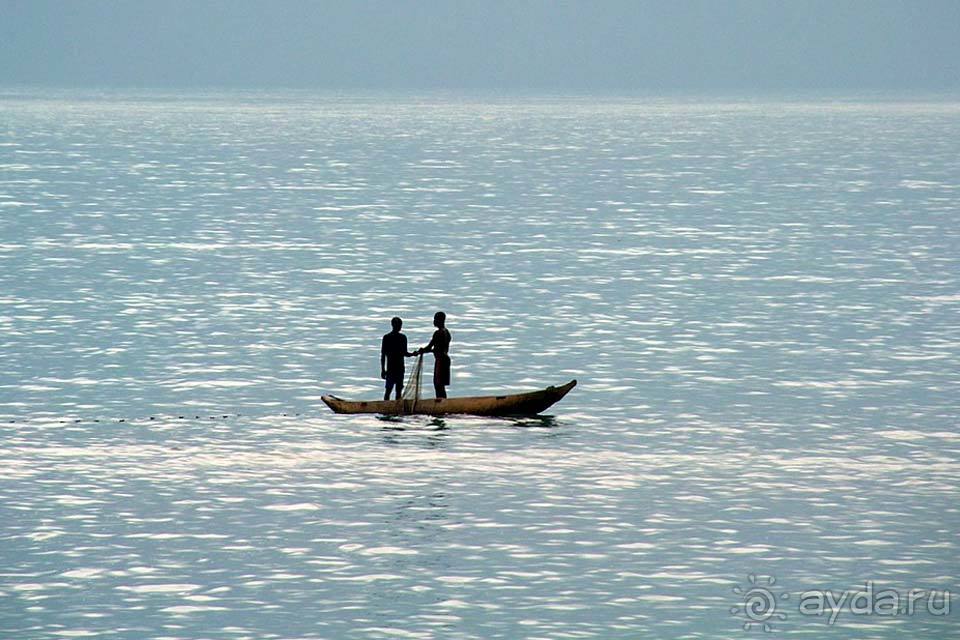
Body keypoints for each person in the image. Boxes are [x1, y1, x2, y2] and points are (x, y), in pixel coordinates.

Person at [415, 311, 452, 399]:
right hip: (445, 359)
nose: (434, 321)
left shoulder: (438, 333)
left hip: (440, 361)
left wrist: (421, 351)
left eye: (435, 319)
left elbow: (430, 347)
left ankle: (440, 403)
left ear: (440, 320)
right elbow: (437, 348)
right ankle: (443, 401)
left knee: (438, 384)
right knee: (441, 385)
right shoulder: (447, 332)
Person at [381, 317, 412, 401]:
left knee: (394, 390)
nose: (399, 327)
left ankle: (388, 407)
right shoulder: (399, 338)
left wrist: (383, 370)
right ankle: (392, 407)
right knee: (390, 390)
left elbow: (384, 355)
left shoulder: (388, 337)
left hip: (396, 368)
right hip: (395, 368)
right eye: (398, 325)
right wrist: (383, 370)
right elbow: (383, 355)